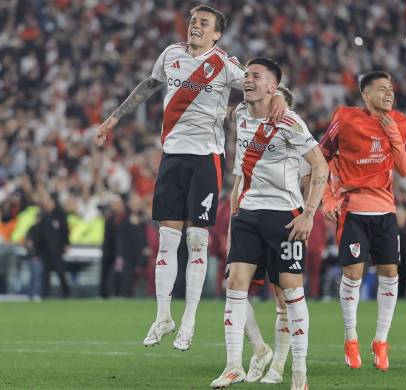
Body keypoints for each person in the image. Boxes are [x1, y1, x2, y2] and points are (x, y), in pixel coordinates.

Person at [95, 4, 287, 352]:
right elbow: (149, 85)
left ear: (217, 33)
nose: (195, 26)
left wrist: (281, 102)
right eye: (193, 21)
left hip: (206, 159)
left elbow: (260, 87)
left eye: (204, 23)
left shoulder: (226, 65)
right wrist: (114, 118)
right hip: (172, 157)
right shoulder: (170, 55)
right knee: (168, 240)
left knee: (197, 241)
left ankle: (189, 321)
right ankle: (164, 316)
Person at [210, 58, 328, 390]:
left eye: (255, 76)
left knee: (291, 294)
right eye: (245, 75)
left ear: (272, 87)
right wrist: (233, 221)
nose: (247, 80)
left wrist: (308, 214)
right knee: (234, 285)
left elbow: (320, 168)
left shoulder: (290, 121)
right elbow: (227, 108)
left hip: (284, 217)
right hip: (248, 214)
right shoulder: (242, 115)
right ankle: (234, 364)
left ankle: (299, 375)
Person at [319, 71, 406, 371]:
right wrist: (327, 197)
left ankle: (381, 341)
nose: (389, 93)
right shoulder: (345, 118)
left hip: (384, 210)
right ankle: (351, 338)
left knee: (389, 270)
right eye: (382, 88)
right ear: (365, 95)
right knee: (354, 274)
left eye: (391, 88)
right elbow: (321, 155)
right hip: (352, 208)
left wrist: (394, 136)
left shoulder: (399, 121)